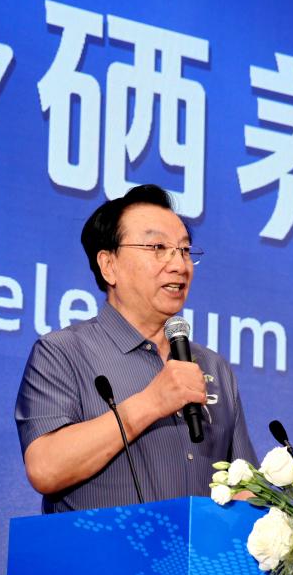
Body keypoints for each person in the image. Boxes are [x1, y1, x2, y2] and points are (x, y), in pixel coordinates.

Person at [15, 184, 256, 513]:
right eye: (158, 247)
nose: (179, 264)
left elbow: (245, 486)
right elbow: (45, 468)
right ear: (109, 265)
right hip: (101, 546)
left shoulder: (213, 367)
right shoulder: (62, 352)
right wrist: (152, 402)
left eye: (185, 250)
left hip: (199, 548)